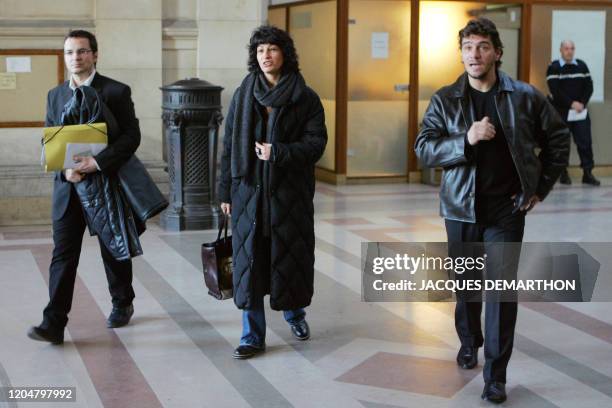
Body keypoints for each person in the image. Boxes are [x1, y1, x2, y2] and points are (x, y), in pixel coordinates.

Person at [415, 18, 570, 404]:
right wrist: (465, 139)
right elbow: (424, 148)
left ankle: (495, 375)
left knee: (500, 293)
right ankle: (469, 341)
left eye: (482, 46)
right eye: (467, 47)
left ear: (497, 53)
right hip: (461, 210)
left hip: (506, 210)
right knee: (467, 288)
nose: (474, 54)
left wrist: (539, 189)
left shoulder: (525, 96)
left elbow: (559, 139)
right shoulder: (445, 98)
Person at [218, 25, 327, 359]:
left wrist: (278, 152)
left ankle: (295, 314)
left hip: (288, 197)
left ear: (285, 54)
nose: (265, 55)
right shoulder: (244, 93)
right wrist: (225, 191)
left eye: (272, 49)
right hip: (248, 192)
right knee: (251, 263)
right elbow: (228, 146)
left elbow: (316, 143)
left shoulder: (304, 97)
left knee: (287, 259)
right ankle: (252, 336)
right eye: (260, 50)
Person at [28, 30, 141, 345]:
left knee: (112, 248)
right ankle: (53, 323)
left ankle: (122, 301)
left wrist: (98, 163)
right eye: (69, 52)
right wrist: (65, 170)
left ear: (94, 54)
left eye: (81, 51)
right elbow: (48, 139)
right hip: (69, 189)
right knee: (63, 255)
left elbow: (131, 137)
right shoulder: (55, 95)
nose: (75, 57)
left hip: (105, 186)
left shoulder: (116, 91)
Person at [547, 40, 600, 186]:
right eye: (566, 48)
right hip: (562, 113)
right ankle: (563, 173)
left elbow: (589, 86)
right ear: (561, 50)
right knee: (563, 144)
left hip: (580, 112)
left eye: (572, 48)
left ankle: (588, 173)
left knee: (585, 142)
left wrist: (581, 103)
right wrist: (571, 103)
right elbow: (555, 90)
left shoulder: (581, 65)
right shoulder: (554, 67)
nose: (569, 51)